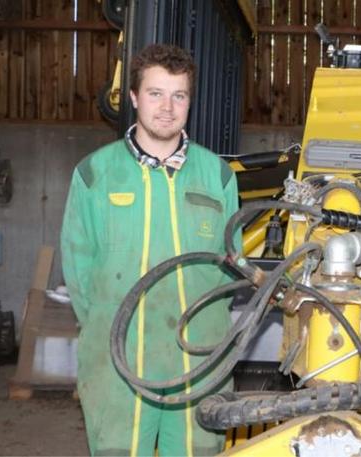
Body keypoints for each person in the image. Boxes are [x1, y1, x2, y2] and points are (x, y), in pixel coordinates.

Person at [61, 43, 241, 456]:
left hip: (200, 364)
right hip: (117, 366)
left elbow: (231, 267)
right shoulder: (94, 174)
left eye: (179, 95)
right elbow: (79, 271)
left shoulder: (218, 176)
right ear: (134, 98)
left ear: (189, 102)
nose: (167, 107)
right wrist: (111, 327)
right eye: (156, 93)